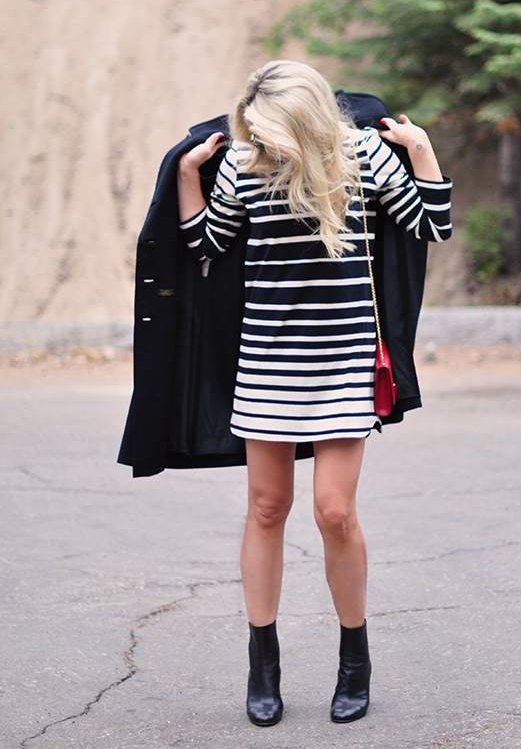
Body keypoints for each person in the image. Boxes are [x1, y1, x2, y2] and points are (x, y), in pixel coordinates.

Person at [176, 60, 452, 726]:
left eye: (271, 130)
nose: (258, 141)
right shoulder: (249, 163)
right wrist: (189, 176)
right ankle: (262, 664)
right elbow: (207, 243)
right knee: (267, 508)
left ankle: (354, 658)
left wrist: (421, 151)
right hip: (267, 360)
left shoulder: (361, 158)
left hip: (343, 360)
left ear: (303, 122)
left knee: (335, 512)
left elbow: (430, 226)